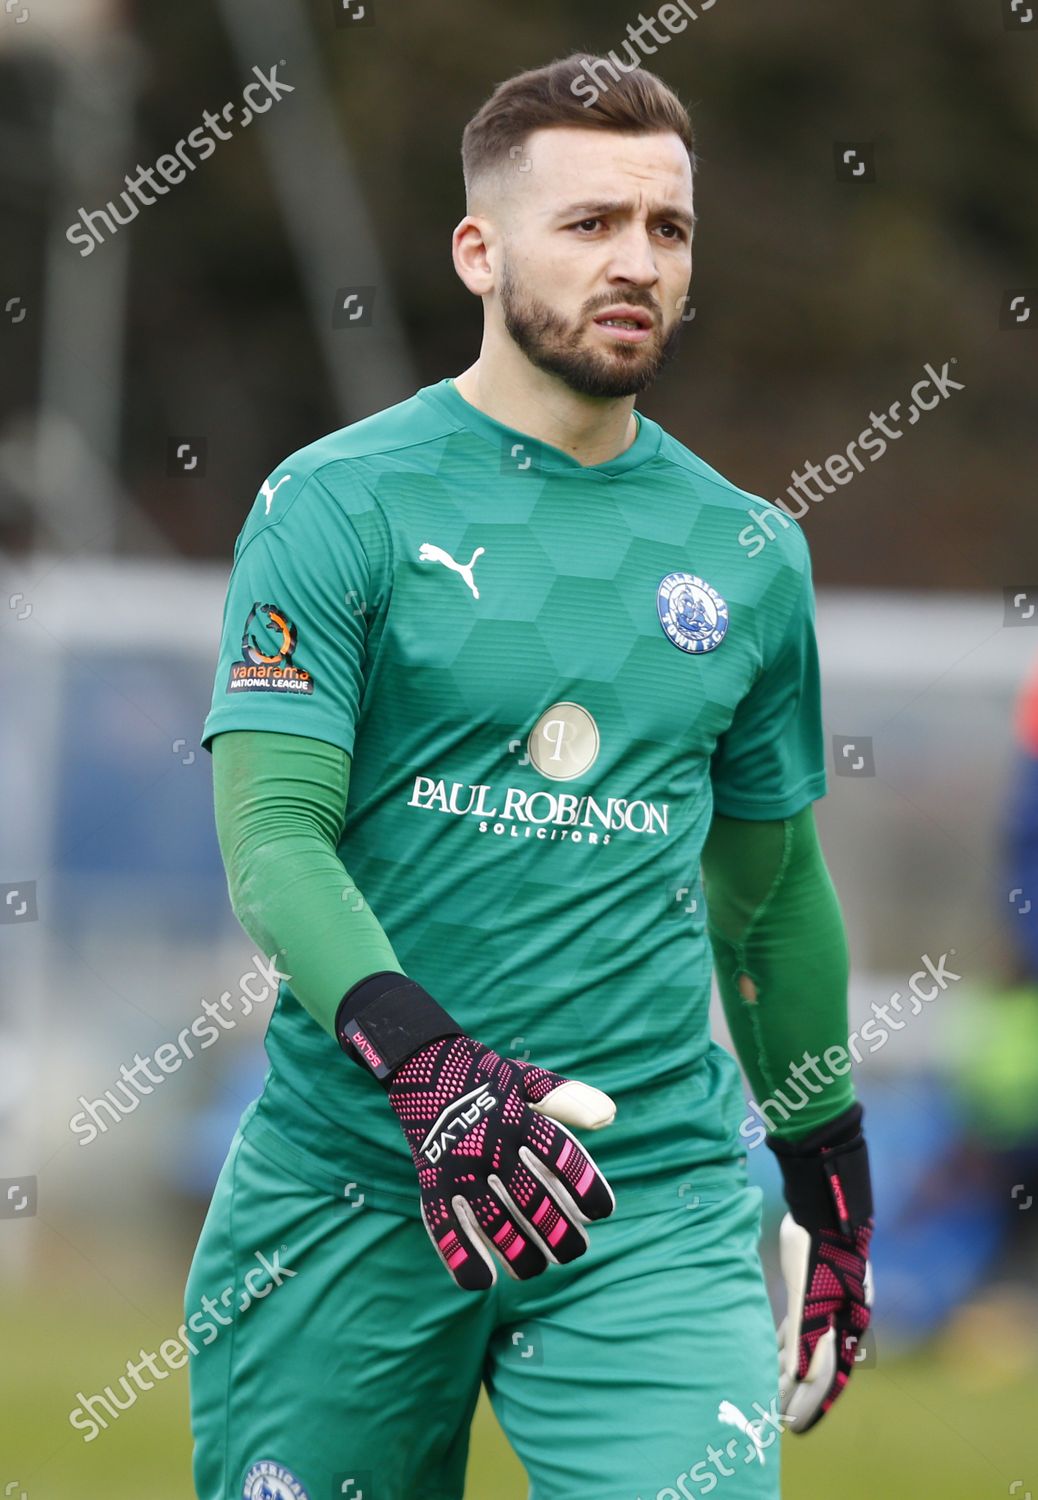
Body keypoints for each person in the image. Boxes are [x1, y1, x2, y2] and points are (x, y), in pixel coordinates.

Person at [187, 53, 873, 1500]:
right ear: (478, 251)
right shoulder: (334, 504)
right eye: (588, 225)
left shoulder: (749, 553)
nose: (634, 263)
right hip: (347, 1189)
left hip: (650, 1199)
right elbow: (275, 843)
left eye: (665, 229)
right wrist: (433, 1074)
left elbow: (768, 897)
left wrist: (829, 1175)